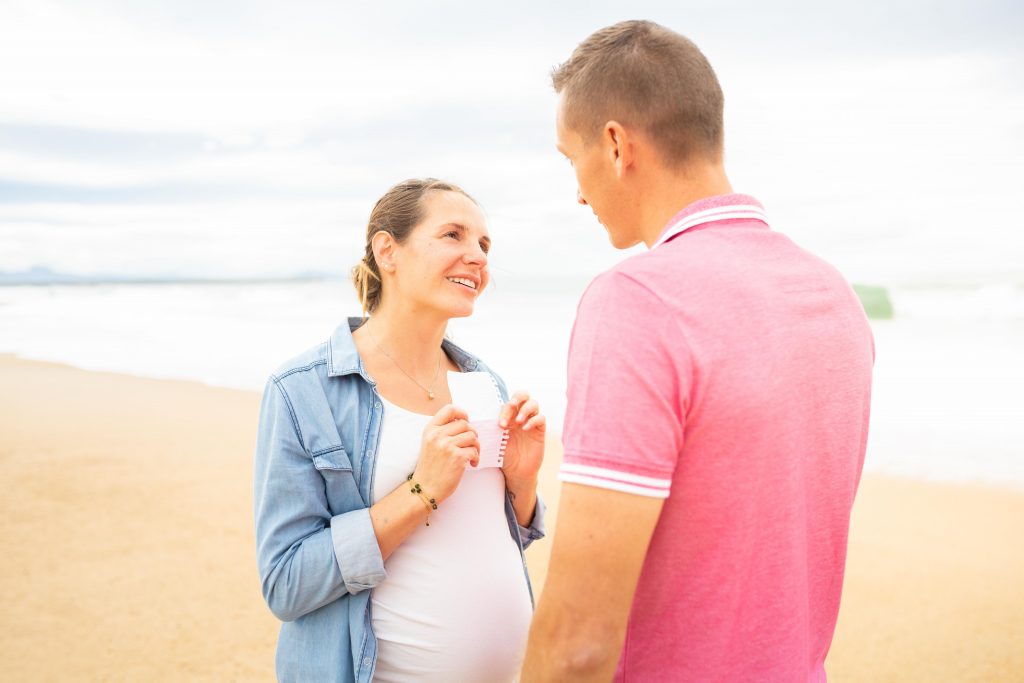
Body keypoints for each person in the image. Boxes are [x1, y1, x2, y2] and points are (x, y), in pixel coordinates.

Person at [521, 20, 874, 682]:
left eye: (572, 160)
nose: (576, 191)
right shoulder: (833, 295)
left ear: (617, 145)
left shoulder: (638, 302)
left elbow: (577, 642)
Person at [254, 178, 547, 683]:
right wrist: (419, 491)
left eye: (484, 244)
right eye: (453, 235)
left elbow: (490, 539)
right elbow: (286, 583)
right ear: (387, 251)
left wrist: (522, 482)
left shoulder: (485, 383)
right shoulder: (302, 391)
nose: (477, 256)